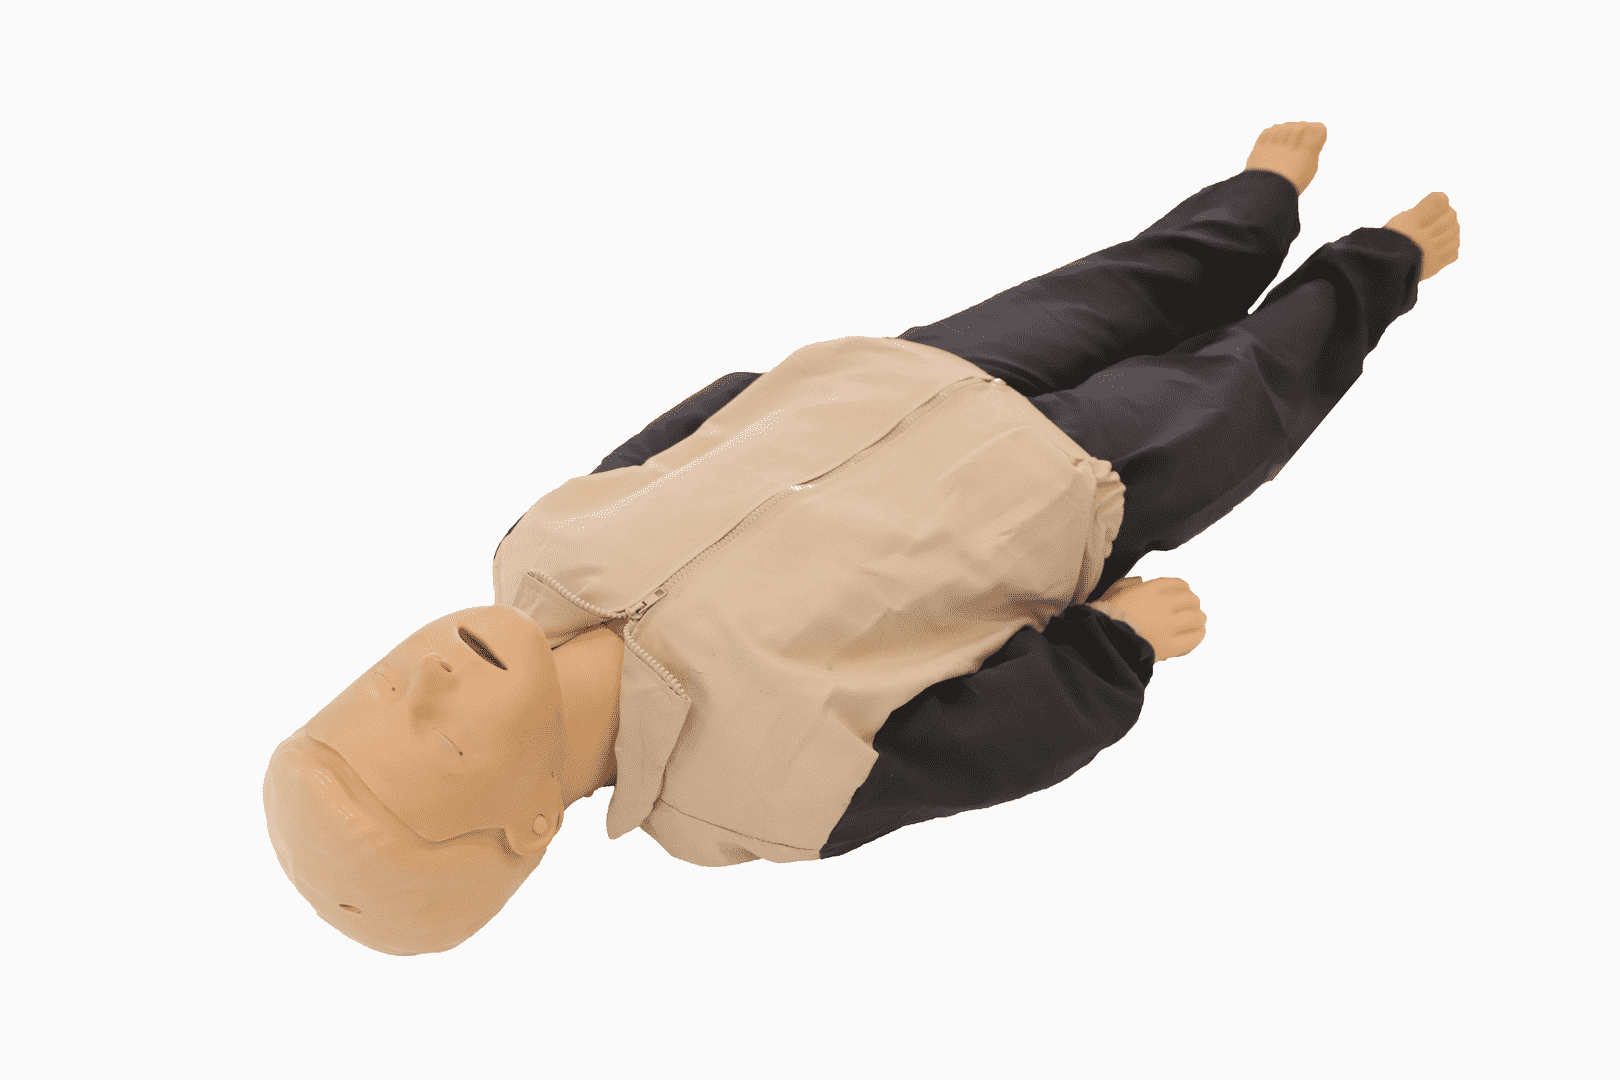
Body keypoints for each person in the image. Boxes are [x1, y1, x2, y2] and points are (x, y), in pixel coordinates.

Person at [264, 122, 1461, 955]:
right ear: (532, 826)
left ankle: (1255, 204)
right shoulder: (754, 798)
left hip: (907, 376)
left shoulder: (533, 550)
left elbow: (667, 445)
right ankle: (1382, 266)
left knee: (1130, 283)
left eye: (378, 685)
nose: (425, 677)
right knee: (1247, 385)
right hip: (1067, 496)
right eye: (442, 740)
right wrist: (1113, 648)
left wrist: (784, 390)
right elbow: (985, 744)